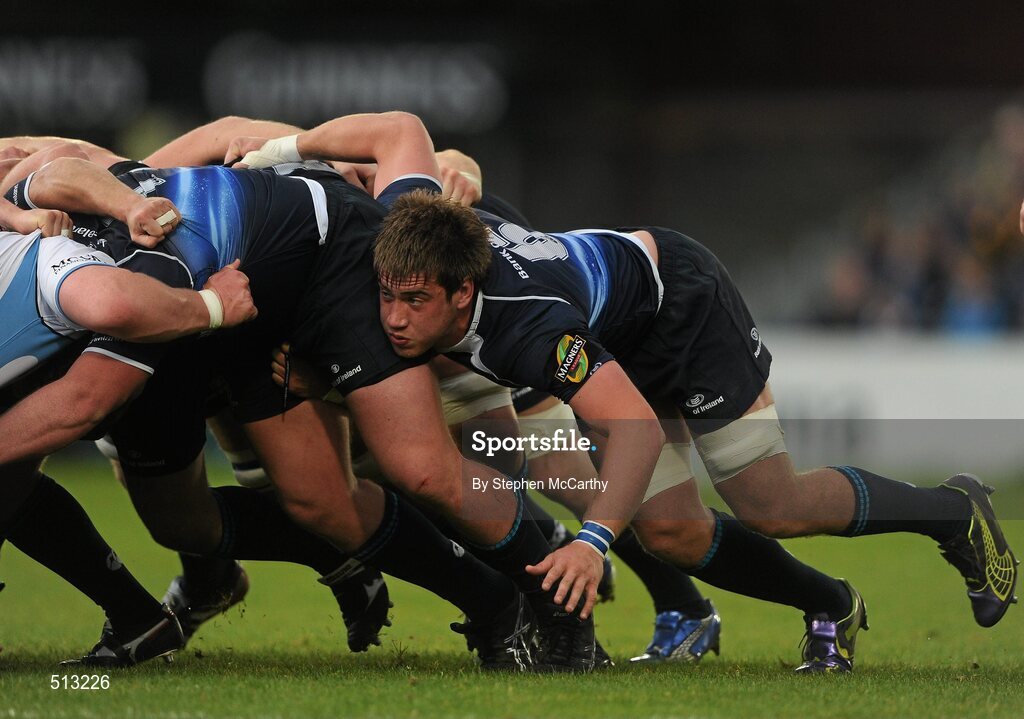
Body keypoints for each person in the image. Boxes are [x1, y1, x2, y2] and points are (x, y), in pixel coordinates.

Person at [361, 172, 1017, 672]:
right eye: (388, 296)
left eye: (413, 301)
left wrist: (591, 542)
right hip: (617, 333)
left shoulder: (529, 329)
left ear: (463, 294)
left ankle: (952, 510)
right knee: (671, 530)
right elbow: (401, 135)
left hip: (685, 305)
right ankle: (830, 603)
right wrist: (281, 150)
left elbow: (636, 429)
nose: (392, 316)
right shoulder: (419, 232)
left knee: (771, 501)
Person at [0, 114, 588, 671]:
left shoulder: (132, 275)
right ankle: (455, 587)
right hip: (227, 299)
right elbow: (53, 172)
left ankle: (547, 608)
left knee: (418, 468)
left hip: (320, 260)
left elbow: (85, 400)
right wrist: (46, 208)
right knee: (205, 519)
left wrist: (300, 149)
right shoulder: (50, 221)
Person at [0, 192, 257, 666]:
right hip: (100, 317)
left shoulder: (58, 262)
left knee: (190, 516)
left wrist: (212, 307)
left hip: (136, 312)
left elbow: (113, 309)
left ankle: (350, 561)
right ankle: (141, 614)